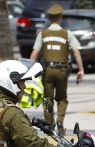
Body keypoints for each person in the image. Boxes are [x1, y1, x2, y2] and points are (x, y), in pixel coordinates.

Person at [30, 4, 84, 136]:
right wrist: (81, 70)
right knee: (62, 98)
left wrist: (29, 71)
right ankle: (60, 122)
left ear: (49, 18)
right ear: (60, 18)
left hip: (47, 71)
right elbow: (76, 52)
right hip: (62, 71)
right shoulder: (67, 33)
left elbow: (34, 54)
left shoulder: (43, 34)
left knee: (47, 98)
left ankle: (49, 124)